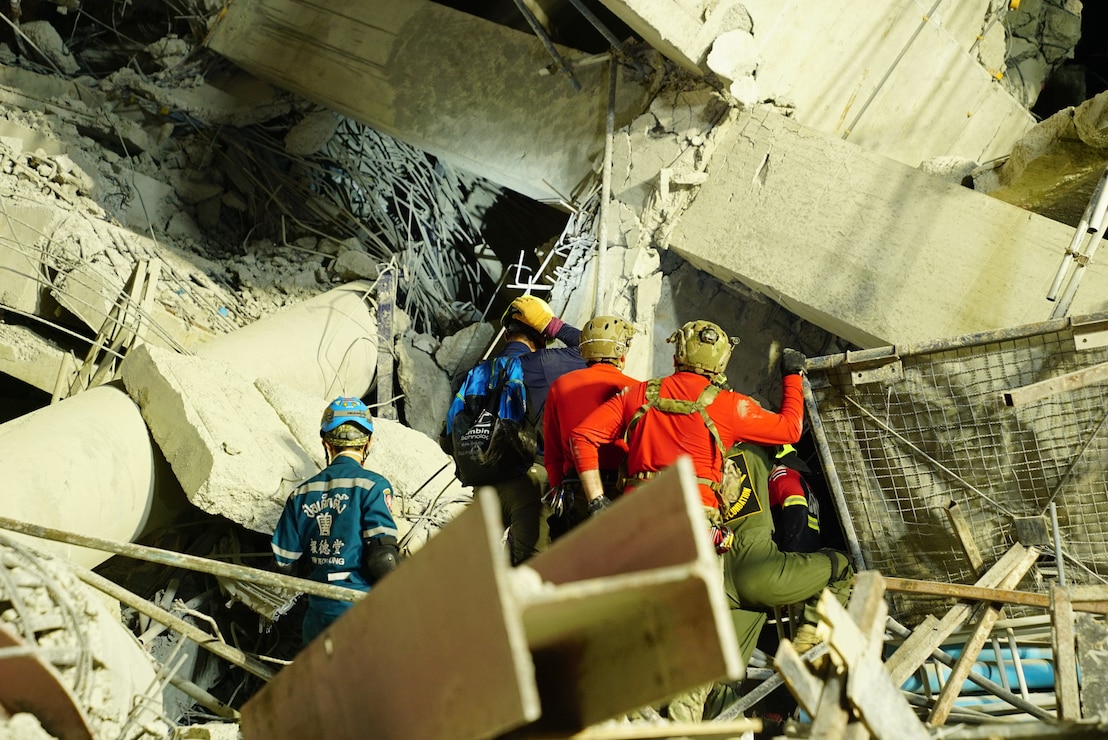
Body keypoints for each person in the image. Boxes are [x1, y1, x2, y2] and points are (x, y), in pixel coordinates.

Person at [570, 321, 852, 719]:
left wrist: (598, 501)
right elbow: (791, 427)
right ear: (721, 362)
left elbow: (581, 436)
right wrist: (792, 375)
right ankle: (681, 726)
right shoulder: (729, 406)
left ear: (677, 355)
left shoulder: (638, 394)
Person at [450, 294, 585, 565]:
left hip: (483, 482)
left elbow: (450, 430)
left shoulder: (474, 373)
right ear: (541, 335)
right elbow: (593, 349)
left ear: (505, 334)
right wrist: (553, 325)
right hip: (530, 478)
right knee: (530, 569)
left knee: (476, 568)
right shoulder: (544, 364)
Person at [271, 396, 401, 645]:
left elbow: (284, 563)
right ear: (369, 441)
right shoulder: (373, 486)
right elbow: (383, 558)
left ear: (326, 443)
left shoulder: (301, 494)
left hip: (318, 617)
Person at [543, 315, 638, 541]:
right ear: (621, 352)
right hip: (621, 488)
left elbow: (553, 454)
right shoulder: (635, 388)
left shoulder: (560, 386)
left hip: (576, 488)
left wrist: (559, 492)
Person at [768, 443, 822, 553]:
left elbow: (797, 509)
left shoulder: (782, 475)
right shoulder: (801, 481)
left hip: (795, 558)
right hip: (809, 555)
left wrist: (790, 553)